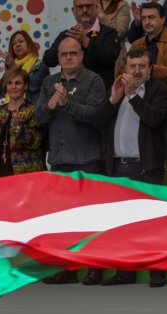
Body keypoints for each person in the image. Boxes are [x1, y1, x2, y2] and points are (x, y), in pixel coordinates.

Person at [94, 47, 167, 287]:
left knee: (152, 223)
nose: (136, 71)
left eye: (142, 66)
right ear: (126, 67)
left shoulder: (159, 90)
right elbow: (98, 122)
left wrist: (134, 96)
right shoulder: (118, 88)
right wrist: (113, 99)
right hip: (118, 166)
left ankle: (156, 272)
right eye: (132, 66)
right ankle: (124, 273)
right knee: (123, 223)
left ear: (150, 68)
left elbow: (155, 119)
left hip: (146, 166)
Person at [37, 37, 107, 285]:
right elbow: (40, 117)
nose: (68, 57)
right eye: (64, 54)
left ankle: (94, 267)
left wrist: (68, 103)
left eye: (73, 53)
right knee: (63, 221)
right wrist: (52, 104)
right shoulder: (49, 82)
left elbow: (96, 115)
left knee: (91, 219)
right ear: (58, 57)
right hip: (59, 160)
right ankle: (66, 268)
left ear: (82, 56)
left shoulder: (94, 81)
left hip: (88, 159)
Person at [0, 68, 45, 178]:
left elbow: (37, 142)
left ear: (25, 86)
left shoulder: (34, 110)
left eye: (18, 83)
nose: (13, 87)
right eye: (9, 83)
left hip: (27, 176)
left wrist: (18, 127)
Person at [43, 0, 120, 89]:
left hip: (99, 92)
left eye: (88, 6)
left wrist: (85, 40)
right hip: (69, 93)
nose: (84, 10)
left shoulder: (109, 33)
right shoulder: (67, 34)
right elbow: (48, 60)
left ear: (96, 7)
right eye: (80, 7)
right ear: (73, 10)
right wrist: (63, 48)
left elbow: (110, 58)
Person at [130, 1, 167, 90]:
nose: (147, 22)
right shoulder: (136, 44)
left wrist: (149, 69)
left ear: (163, 19)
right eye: (143, 18)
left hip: (166, 96)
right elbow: (126, 70)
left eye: (151, 17)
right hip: (139, 93)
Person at [0, 30, 50, 104]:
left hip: (33, 113)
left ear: (29, 44)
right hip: (12, 113)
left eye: (21, 41)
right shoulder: (11, 67)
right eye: (14, 43)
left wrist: (15, 69)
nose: (17, 45)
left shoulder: (40, 66)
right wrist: (9, 72)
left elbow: (32, 87)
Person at [97, 0, 132, 75]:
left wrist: (102, 16)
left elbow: (120, 32)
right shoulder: (92, 3)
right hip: (93, 53)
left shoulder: (122, 5)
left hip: (115, 56)